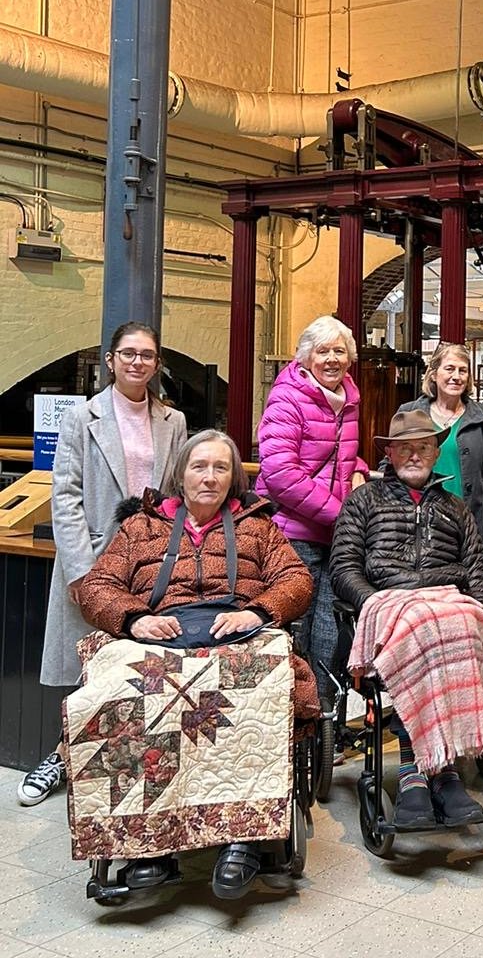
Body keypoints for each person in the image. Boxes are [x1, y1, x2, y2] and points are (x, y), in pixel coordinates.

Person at [75, 430, 317, 898]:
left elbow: (296, 579)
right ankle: (148, 844)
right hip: (160, 633)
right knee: (125, 690)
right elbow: (96, 586)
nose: (209, 477)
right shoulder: (141, 527)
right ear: (180, 474)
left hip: (237, 630)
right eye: (199, 466)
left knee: (257, 688)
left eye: (221, 468)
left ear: (234, 479)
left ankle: (241, 840)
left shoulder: (257, 526)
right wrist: (135, 618)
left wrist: (258, 610)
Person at [19, 321, 187, 809]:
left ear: (157, 365)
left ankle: (120, 760)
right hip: (93, 555)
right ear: (110, 360)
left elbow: (176, 495)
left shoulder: (172, 421)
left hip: (150, 560)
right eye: (128, 353)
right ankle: (61, 755)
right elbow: (65, 495)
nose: (138, 362)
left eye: (148, 355)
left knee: (134, 664)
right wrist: (79, 569)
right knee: (81, 662)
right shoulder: (81, 417)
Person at [329, 410, 483, 828]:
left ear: (437, 452)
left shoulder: (455, 507)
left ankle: (439, 769)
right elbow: (344, 565)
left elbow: (475, 570)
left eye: (423, 447)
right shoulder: (364, 500)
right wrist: (375, 603)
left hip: (446, 603)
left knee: (455, 620)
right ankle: (421, 771)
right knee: (419, 624)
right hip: (387, 603)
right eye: (405, 447)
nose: (415, 455)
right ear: (389, 452)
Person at [255, 315, 369, 700]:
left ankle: (324, 719)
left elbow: (343, 456)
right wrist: (342, 514)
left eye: (339, 350)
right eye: (323, 351)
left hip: (332, 535)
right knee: (295, 625)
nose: (332, 358)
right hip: (294, 533)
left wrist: (361, 472)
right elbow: (280, 472)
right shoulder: (287, 398)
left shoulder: (348, 399)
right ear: (305, 357)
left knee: (330, 627)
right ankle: (290, 713)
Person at [399, 342, 483, 565]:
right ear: (434, 373)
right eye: (449, 369)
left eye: (463, 370)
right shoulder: (409, 412)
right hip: (418, 525)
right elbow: (391, 467)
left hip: (469, 525)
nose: (456, 376)